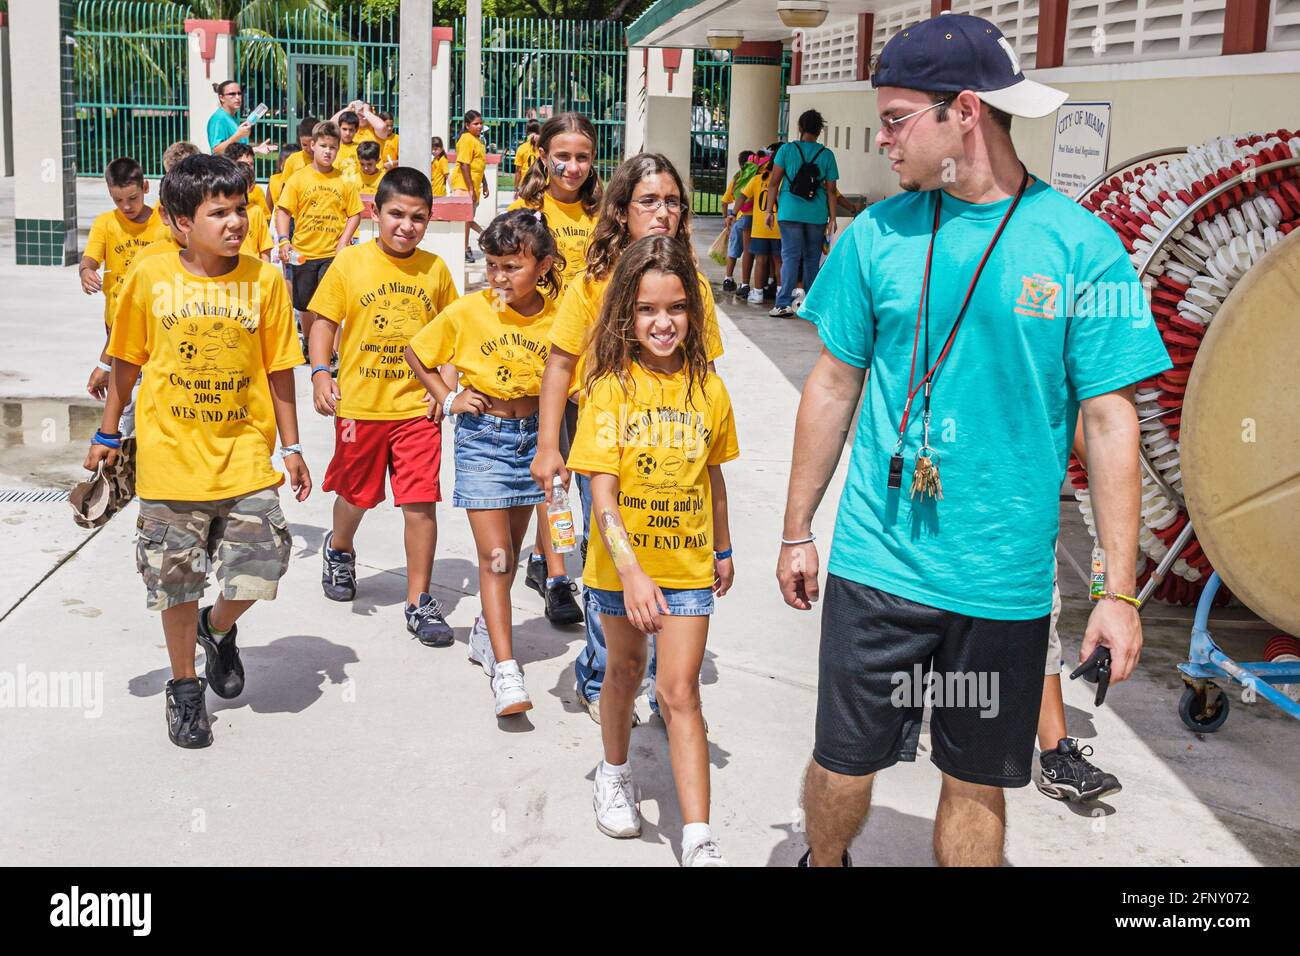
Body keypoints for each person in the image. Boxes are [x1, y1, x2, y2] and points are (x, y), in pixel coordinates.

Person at [776, 13, 1171, 867]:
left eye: (893, 118)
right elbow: (834, 385)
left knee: (975, 780)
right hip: (876, 566)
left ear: (965, 111)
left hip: (1001, 582)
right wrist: (796, 529)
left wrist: (1119, 590)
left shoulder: (1081, 248)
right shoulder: (875, 236)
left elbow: (1109, 420)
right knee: (843, 768)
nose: (879, 139)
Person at [84, 153, 309, 749]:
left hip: (243, 456)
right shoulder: (150, 278)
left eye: (241, 209)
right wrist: (108, 435)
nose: (235, 222)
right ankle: (185, 690)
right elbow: (127, 361)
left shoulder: (264, 280)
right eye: (219, 212)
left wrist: (292, 447)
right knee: (175, 581)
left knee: (264, 564)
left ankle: (218, 627)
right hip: (168, 461)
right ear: (182, 222)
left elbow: (281, 368)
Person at [533, 153, 724, 724]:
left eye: (672, 201)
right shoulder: (592, 285)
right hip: (608, 453)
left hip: (674, 453)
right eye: (649, 201)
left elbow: (706, 373)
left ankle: (670, 689)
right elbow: (560, 365)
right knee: (611, 563)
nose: (663, 212)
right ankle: (604, 677)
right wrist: (550, 447)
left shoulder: (691, 285)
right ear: (620, 209)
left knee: (671, 563)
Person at [567, 235, 739, 866]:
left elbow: (714, 476)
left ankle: (698, 836)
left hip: (689, 568)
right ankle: (614, 773)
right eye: (646, 310)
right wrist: (632, 572)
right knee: (622, 671)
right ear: (625, 316)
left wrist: (722, 546)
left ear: (693, 312)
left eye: (674, 308)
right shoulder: (609, 389)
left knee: (679, 690)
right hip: (619, 569)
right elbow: (602, 496)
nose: (661, 323)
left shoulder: (709, 392)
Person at [404, 209, 563, 718]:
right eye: (492, 265)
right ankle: (506, 667)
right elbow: (418, 352)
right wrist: (447, 398)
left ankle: (482, 634)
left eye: (511, 266)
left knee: (510, 559)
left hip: (536, 441)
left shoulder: (561, 316)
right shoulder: (470, 311)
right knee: (495, 558)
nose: (498, 277)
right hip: (485, 440)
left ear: (543, 265)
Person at [307, 167, 459, 646]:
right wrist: (320, 372)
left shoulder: (435, 270)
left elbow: (455, 334)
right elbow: (323, 323)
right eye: (396, 214)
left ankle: (419, 601)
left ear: (429, 220)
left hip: (417, 411)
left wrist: (446, 386)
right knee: (357, 495)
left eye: (417, 218)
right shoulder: (351, 263)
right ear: (376, 213)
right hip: (361, 410)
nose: (406, 226)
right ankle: (341, 546)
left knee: (420, 504)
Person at [509, 112, 603, 624]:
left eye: (582, 157)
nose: (572, 167)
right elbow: (505, 287)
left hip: (593, 367)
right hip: (542, 365)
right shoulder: (528, 213)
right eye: (562, 156)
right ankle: (559, 579)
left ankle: (547, 557)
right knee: (555, 478)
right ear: (543, 156)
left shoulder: (606, 214)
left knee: (594, 473)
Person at [81, 157, 170, 402]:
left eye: (132, 199)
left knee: (154, 387)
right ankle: (122, 434)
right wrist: (86, 271)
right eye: (118, 200)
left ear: (145, 188)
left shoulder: (163, 225)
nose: (127, 207)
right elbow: (89, 259)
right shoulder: (106, 223)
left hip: (157, 322)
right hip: (116, 322)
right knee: (125, 389)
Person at [275, 120, 362, 349]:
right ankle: (308, 342)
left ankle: (331, 351)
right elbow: (283, 211)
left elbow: (355, 214)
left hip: (332, 255)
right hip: (303, 253)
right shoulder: (298, 178)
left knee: (331, 306)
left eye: (332, 147)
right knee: (304, 304)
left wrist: (343, 242)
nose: (328, 151)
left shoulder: (344, 180)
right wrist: (284, 240)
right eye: (323, 146)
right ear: (312, 145)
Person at [766, 109, 839, 318]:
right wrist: (832, 217)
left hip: (789, 212)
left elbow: (774, 182)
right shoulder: (826, 155)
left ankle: (783, 304)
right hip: (816, 214)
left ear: (800, 127)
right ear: (819, 130)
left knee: (789, 257)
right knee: (811, 258)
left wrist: (769, 210)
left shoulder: (787, 150)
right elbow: (831, 190)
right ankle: (811, 304)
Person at [741, 156, 781, 307]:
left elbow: (742, 197)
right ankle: (780, 292)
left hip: (760, 227)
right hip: (778, 227)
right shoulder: (783, 180)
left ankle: (757, 293)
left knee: (761, 260)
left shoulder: (758, 179)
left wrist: (733, 214)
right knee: (779, 261)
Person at [450, 110, 489, 262]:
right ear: (467, 125)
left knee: (468, 219)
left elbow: (479, 164)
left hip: (474, 185)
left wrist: (484, 184)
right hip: (463, 185)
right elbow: (465, 165)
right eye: (475, 124)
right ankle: (465, 248)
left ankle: (482, 236)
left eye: (480, 123)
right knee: (465, 220)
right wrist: (471, 188)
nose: (479, 126)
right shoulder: (466, 139)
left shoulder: (477, 140)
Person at [206, 79, 272, 157]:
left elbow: (234, 151)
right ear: (221, 98)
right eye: (232, 94)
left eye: (239, 93)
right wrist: (238, 135)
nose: (237, 97)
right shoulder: (218, 119)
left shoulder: (232, 118)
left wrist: (256, 149)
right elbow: (216, 151)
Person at [719, 149, 754, 294]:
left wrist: (726, 218)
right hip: (754, 220)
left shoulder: (737, 178)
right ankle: (746, 284)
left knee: (733, 251)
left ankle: (728, 278)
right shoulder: (756, 177)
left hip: (739, 219)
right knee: (749, 252)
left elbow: (724, 201)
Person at [280, 117, 318, 182]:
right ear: (299, 141)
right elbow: (285, 187)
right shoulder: (292, 160)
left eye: (313, 144)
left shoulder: (328, 160)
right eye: (304, 145)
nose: (309, 149)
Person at [333, 110, 362, 181]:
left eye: (351, 130)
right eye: (344, 129)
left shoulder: (360, 148)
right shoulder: (332, 148)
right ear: (339, 128)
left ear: (356, 130)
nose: (347, 133)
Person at [513, 119, 541, 191]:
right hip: (539, 183)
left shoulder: (521, 148)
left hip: (525, 184)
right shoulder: (543, 148)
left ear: (526, 132)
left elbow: (518, 171)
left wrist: (516, 188)